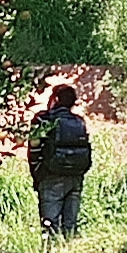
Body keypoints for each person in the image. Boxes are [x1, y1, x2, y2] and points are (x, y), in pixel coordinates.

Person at [28, 84, 92, 237]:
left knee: (50, 227)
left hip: (51, 176)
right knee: (70, 226)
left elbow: (34, 148)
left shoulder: (43, 119)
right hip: (76, 176)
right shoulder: (79, 121)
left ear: (55, 99)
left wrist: (37, 174)